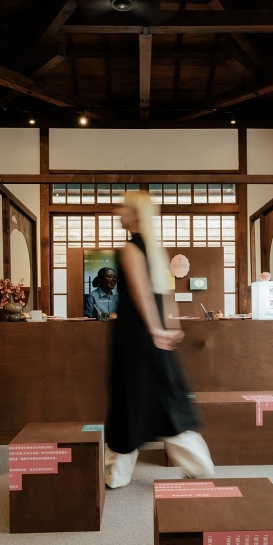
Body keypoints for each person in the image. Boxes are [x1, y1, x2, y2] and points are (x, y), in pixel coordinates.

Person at [104, 190, 216, 488]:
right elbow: (166, 295)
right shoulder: (155, 250)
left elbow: (140, 293)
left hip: (136, 336)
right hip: (154, 335)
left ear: (135, 213)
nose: (118, 212)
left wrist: (155, 330)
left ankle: (117, 474)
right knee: (163, 396)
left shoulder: (130, 249)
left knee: (130, 400)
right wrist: (170, 327)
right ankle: (197, 464)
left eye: (123, 207)